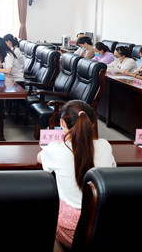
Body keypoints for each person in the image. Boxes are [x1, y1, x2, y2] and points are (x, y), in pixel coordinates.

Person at [37, 100, 116, 249]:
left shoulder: (55, 149)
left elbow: (40, 158)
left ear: (62, 123)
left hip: (71, 228)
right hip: (102, 224)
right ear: (92, 124)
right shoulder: (105, 146)